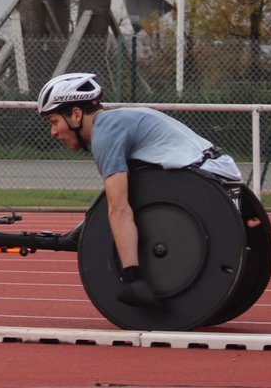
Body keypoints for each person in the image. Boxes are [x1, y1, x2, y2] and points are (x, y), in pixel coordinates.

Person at [37, 72, 244, 309]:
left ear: (75, 114)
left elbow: (119, 209)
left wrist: (132, 278)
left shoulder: (105, 132)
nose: (53, 132)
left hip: (205, 182)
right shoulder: (119, 119)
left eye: (54, 122)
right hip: (222, 173)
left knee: (119, 208)